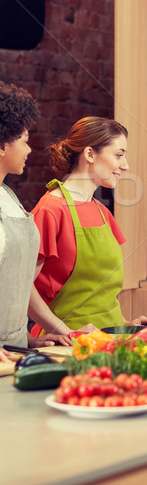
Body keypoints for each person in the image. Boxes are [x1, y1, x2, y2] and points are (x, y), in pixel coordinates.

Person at [30, 116, 147, 335]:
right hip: (67, 346)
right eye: (119, 155)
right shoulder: (50, 210)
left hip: (110, 339)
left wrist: (125, 323)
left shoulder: (102, 212)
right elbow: (23, 289)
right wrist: (67, 333)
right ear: (90, 154)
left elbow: (98, 293)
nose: (125, 166)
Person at [0, 81, 70, 362]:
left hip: (14, 353)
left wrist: (30, 340)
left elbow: (13, 281)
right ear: (2, 145)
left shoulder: (8, 196)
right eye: (24, 140)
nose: (30, 149)